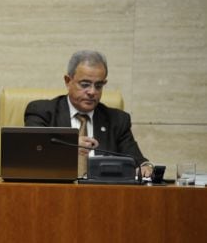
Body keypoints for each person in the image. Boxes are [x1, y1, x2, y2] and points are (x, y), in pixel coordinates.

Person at [24, 50, 152, 178]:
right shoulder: (42, 112)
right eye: (85, 84)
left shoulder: (117, 120)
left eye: (98, 86)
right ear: (68, 81)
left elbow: (137, 161)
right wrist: (68, 148)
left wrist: (145, 167)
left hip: (102, 193)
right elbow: (32, 153)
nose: (92, 92)